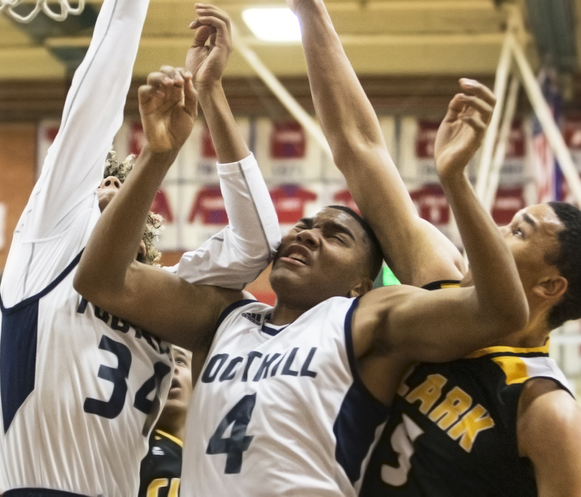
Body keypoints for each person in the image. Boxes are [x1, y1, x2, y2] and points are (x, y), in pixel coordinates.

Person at [73, 5, 529, 497]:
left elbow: (500, 310)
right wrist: (159, 154)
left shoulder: (365, 317)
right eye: (305, 225)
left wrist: (455, 180)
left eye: (336, 236)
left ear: (361, 282)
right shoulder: (224, 317)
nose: (308, 234)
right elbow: (101, 281)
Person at [286, 0, 581, 495]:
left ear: (550, 285)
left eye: (519, 232)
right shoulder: (438, 283)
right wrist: (310, 11)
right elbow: (358, 147)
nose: (497, 233)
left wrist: (456, 181)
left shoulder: (546, 409)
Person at [0, 0, 279, 495]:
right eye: (99, 182)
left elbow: (257, 245)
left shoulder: (159, 293)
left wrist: (210, 94)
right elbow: (96, 96)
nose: (103, 186)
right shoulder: (48, 241)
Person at [138, 346, 192, 497]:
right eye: (161, 361)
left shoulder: (213, 456)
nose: (172, 367)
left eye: (180, 361)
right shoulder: (137, 452)